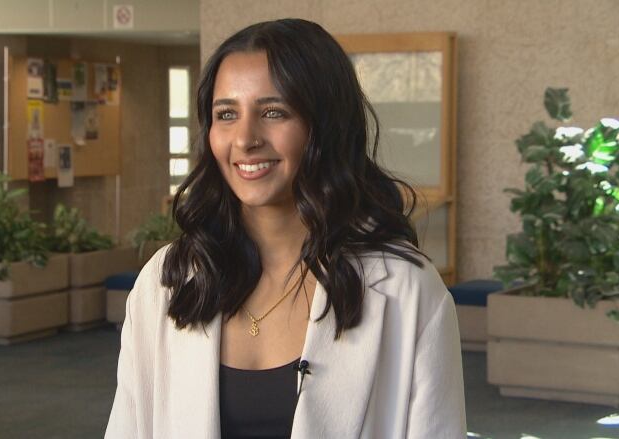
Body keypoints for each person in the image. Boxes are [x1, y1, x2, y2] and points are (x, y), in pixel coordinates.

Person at [105, 18, 466, 439]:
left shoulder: (408, 289)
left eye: (273, 112)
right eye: (226, 114)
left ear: (324, 126)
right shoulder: (165, 281)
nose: (244, 139)